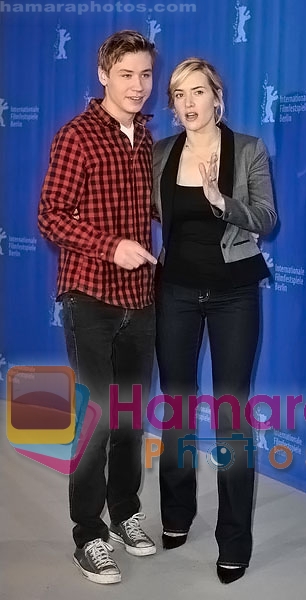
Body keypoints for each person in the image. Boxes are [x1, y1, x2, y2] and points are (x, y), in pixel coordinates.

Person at [38, 30, 158, 585]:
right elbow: (51, 216)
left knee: (130, 418)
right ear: (103, 75)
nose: (138, 86)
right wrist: (111, 246)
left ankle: (125, 514)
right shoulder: (77, 136)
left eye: (146, 75)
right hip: (90, 297)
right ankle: (88, 534)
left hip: (141, 302)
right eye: (127, 74)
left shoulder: (145, 137)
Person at [153, 58, 277, 584]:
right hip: (175, 292)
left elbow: (267, 220)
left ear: (216, 95)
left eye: (197, 91)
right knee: (177, 407)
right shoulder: (160, 153)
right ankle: (176, 516)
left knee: (231, 416)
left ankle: (234, 541)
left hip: (234, 295)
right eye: (178, 94)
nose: (187, 103)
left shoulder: (247, 149)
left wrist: (221, 201)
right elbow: (147, 213)